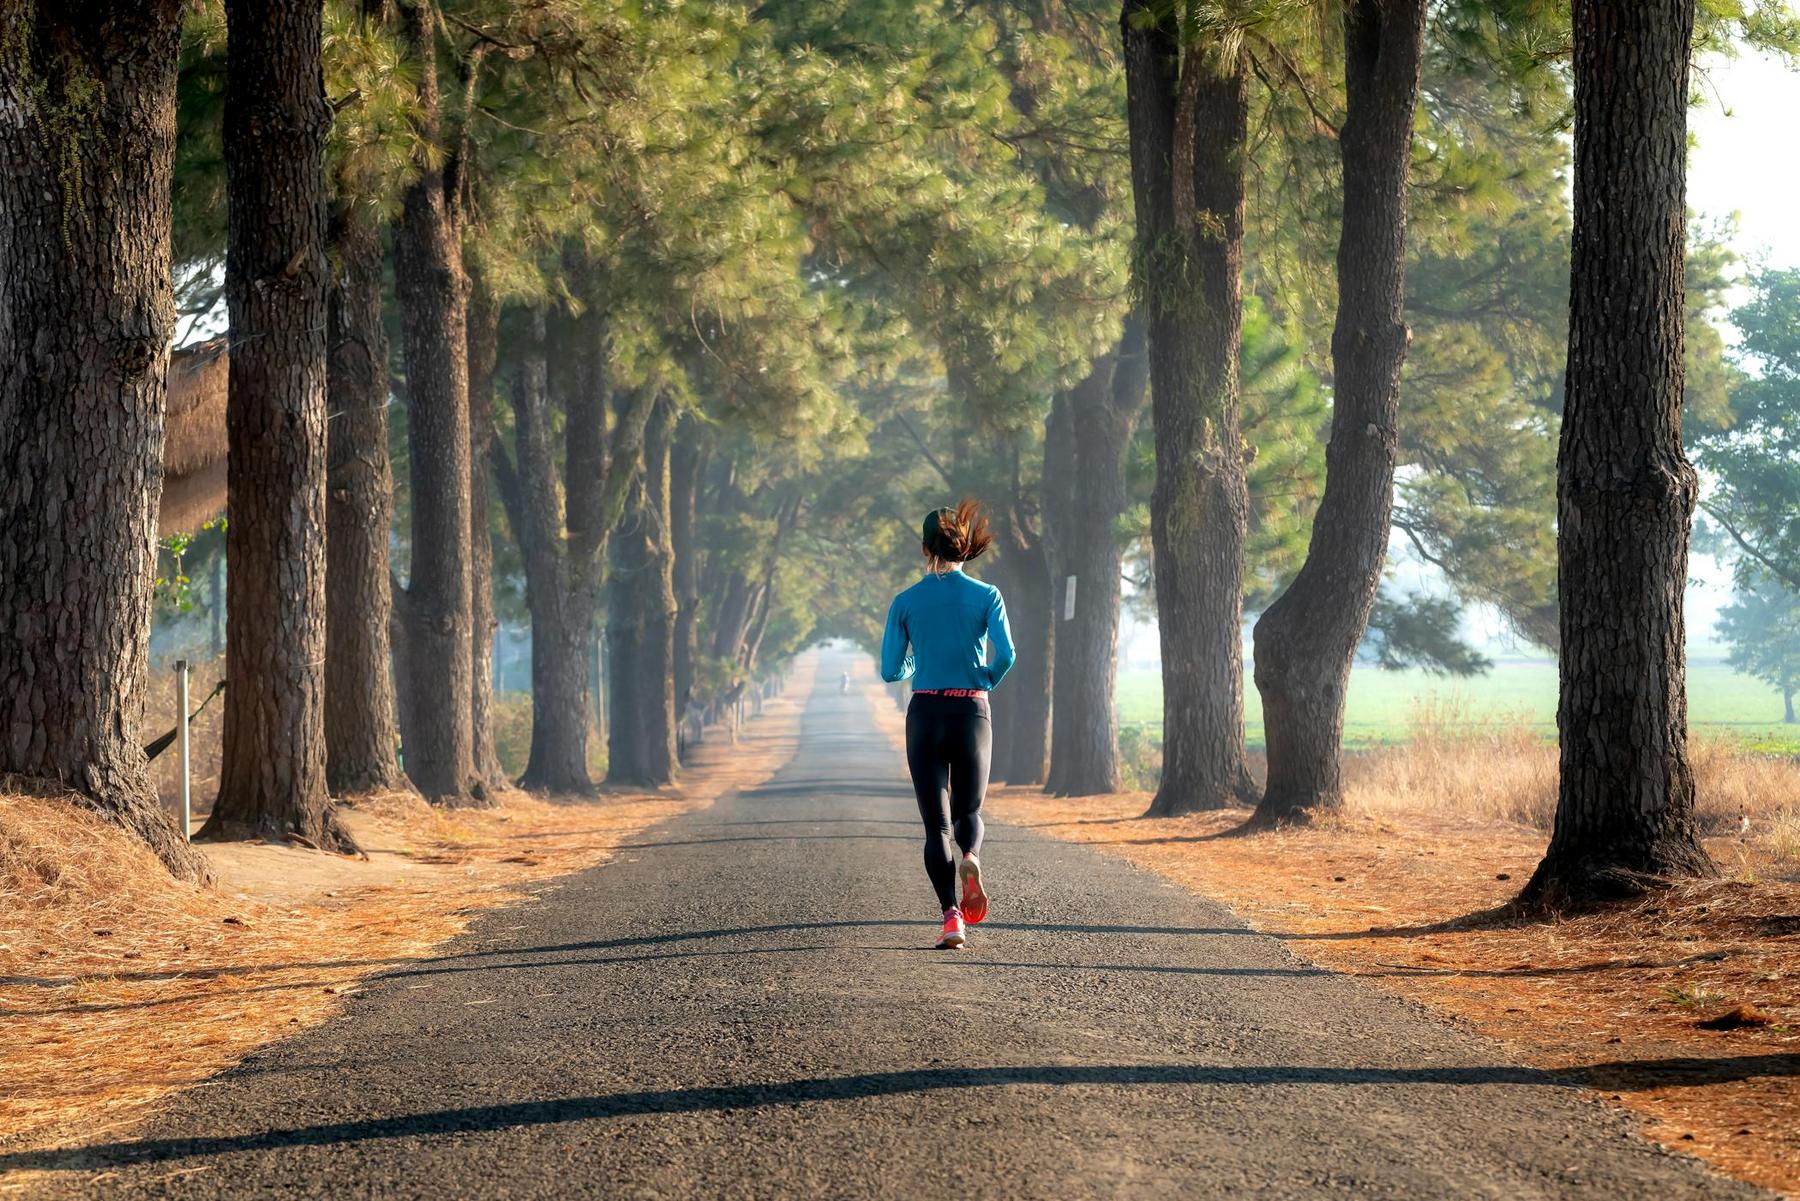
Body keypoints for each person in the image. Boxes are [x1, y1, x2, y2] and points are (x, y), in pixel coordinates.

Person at [880, 499, 1015, 949]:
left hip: (926, 712)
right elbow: (1007, 655)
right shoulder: (986, 595)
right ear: (962, 545)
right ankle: (972, 856)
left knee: (935, 827)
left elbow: (890, 670)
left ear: (925, 548)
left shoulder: (905, 602)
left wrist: (921, 657)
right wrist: (984, 680)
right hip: (971, 710)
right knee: (968, 813)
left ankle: (951, 918)